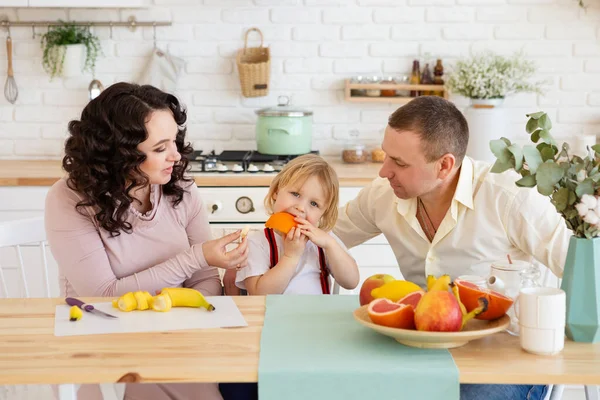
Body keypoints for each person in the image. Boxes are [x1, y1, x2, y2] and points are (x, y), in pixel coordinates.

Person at [333, 95, 570, 400]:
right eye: (386, 156)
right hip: (416, 350)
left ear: (444, 165)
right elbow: (325, 236)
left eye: (400, 163)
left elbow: (586, 271)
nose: (384, 171)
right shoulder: (383, 195)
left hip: (503, 358)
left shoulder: (509, 197)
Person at [45, 82, 248, 400]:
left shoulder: (180, 188)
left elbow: (207, 284)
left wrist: (172, 325)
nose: (176, 155)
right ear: (119, 155)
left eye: (174, 141)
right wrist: (196, 257)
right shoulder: (69, 198)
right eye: (160, 148)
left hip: (175, 339)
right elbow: (103, 295)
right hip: (95, 341)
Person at [236, 154, 360, 296]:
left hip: (317, 317)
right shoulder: (257, 242)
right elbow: (258, 294)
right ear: (276, 191)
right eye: (295, 194)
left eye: (314, 204)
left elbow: (351, 282)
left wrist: (330, 245)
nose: (301, 207)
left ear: (323, 213)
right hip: (274, 317)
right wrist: (291, 256)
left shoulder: (323, 241)